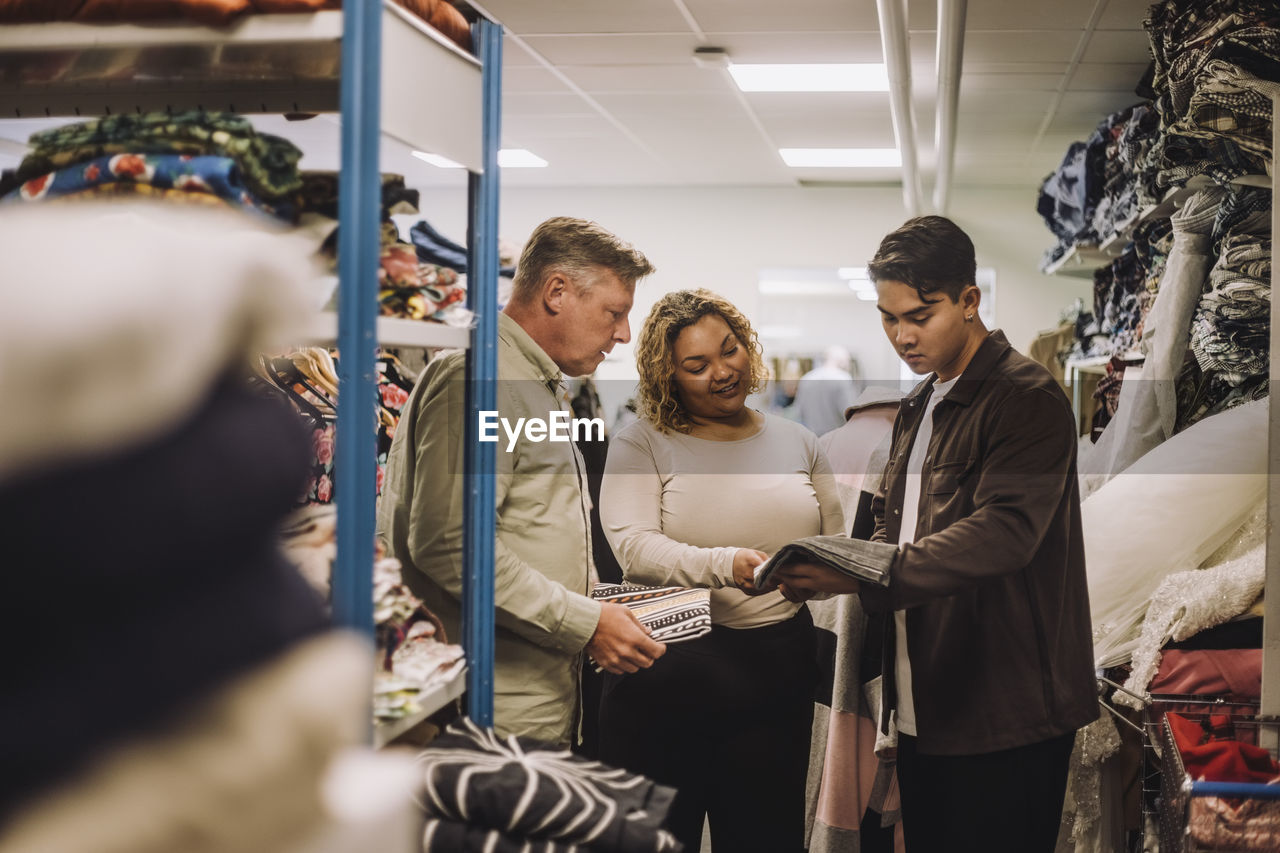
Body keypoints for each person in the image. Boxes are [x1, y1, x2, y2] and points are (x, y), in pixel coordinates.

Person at [771, 216, 1096, 853]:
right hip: (924, 704)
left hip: (1006, 709)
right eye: (889, 318)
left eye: (921, 315)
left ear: (970, 300)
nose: (902, 336)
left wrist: (862, 572)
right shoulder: (919, 405)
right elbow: (902, 528)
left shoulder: (1026, 398)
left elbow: (1005, 534)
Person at [378, 216, 666, 747]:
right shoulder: (483, 381)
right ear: (557, 292)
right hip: (490, 712)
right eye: (615, 313)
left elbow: (525, 527)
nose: (624, 333)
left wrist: (596, 597)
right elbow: (451, 543)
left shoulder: (532, 383)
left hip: (525, 699)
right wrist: (585, 621)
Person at [598, 288, 844, 852]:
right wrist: (722, 565)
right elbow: (632, 546)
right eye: (696, 365)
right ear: (669, 376)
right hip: (668, 665)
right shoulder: (643, 440)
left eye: (729, 350)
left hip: (775, 665)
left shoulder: (799, 439)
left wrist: (822, 572)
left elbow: (833, 540)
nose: (722, 372)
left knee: (765, 835)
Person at [793, 344, 860, 436]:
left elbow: (799, 411)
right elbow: (849, 413)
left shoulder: (806, 378)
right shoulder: (843, 378)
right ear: (841, 361)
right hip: (836, 439)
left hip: (812, 439)